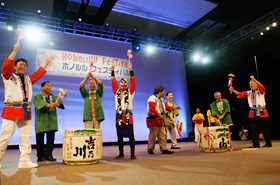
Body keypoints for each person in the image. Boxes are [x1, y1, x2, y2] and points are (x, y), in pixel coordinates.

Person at [0, 42, 54, 169]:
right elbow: (5, 67)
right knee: (5, 136)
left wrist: (46, 62)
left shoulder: (28, 79)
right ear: (14, 67)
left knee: (26, 136)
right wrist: (14, 52)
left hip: (25, 110)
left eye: (25, 65)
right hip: (11, 109)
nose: (23, 67)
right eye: (20, 65)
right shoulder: (8, 76)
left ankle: (24, 160)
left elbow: (38, 74)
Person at [230, 75, 272, 148]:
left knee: (264, 128)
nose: (251, 85)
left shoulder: (261, 91)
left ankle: (268, 142)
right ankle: (255, 144)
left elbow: (260, 85)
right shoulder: (248, 92)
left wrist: (254, 79)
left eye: (252, 84)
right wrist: (233, 90)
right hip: (252, 112)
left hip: (261, 110)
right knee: (253, 129)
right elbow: (239, 94)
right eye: (250, 84)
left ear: (256, 84)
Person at [33, 81, 65, 162]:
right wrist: (51, 105)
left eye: (50, 86)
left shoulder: (53, 97)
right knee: (40, 140)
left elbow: (61, 105)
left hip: (52, 121)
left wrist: (58, 104)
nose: (49, 87)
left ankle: (48, 155)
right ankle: (40, 156)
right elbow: (42, 105)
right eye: (47, 86)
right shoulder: (38, 96)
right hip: (41, 121)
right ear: (42, 87)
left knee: (50, 140)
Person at [111, 64, 136, 159]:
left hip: (128, 116)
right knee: (120, 136)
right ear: (120, 84)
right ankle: (121, 154)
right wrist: (112, 72)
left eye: (125, 82)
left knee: (131, 136)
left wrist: (131, 71)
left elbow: (133, 82)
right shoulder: (116, 92)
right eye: (121, 83)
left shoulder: (130, 92)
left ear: (127, 84)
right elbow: (113, 83)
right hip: (119, 116)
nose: (123, 84)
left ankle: (132, 154)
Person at [146, 86, 181, 154]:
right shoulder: (152, 98)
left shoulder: (161, 99)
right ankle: (150, 149)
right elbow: (152, 109)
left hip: (160, 120)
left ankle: (164, 149)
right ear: (159, 92)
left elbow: (166, 107)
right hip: (153, 120)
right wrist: (159, 115)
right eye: (163, 91)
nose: (164, 93)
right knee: (153, 135)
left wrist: (174, 107)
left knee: (162, 134)